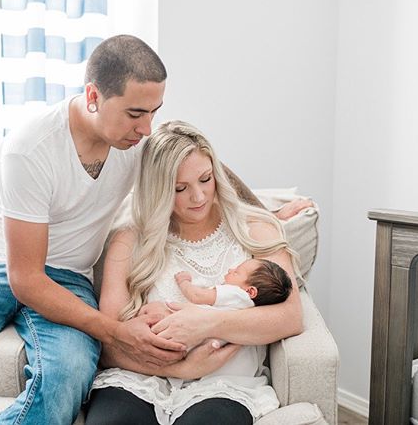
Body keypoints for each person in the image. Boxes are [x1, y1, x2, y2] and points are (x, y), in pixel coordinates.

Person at [0, 35, 188, 425]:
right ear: (93, 97)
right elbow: (26, 279)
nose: (147, 129)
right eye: (136, 113)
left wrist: (268, 207)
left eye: (154, 112)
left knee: (66, 378)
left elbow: (196, 161)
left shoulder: (136, 141)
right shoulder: (30, 148)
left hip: (68, 276)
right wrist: (116, 332)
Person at [85, 120, 304, 425]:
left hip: (224, 385)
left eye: (205, 179)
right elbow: (108, 342)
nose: (199, 197)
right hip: (140, 378)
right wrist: (181, 369)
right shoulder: (130, 240)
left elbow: (290, 316)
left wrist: (205, 323)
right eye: (180, 188)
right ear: (158, 189)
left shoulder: (255, 230)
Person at [174, 257, 292, 308]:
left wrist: (184, 281)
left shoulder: (237, 295)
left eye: (236, 272)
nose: (230, 270)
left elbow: (197, 296)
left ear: (250, 291)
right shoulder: (247, 306)